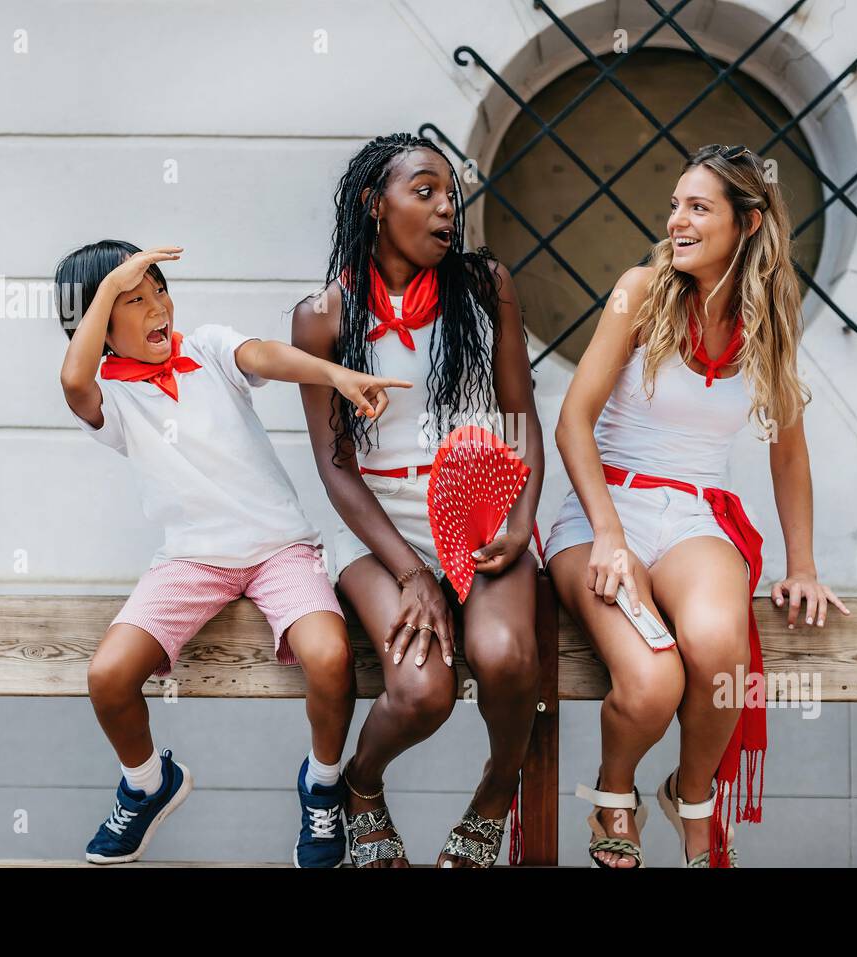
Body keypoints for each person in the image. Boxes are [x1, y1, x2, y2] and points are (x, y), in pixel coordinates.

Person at [57, 239, 409, 867]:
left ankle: (322, 786)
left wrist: (335, 373)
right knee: (108, 677)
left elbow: (266, 355)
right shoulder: (109, 396)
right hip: (190, 560)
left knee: (330, 659)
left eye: (158, 290)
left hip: (280, 551)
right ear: (99, 320)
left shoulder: (208, 348)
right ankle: (146, 786)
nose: (157, 305)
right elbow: (72, 377)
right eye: (132, 300)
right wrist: (110, 286)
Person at [545, 145, 850, 868]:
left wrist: (802, 563)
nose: (676, 220)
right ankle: (613, 795)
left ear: (747, 224)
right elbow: (572, 421)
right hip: (602, 508)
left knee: (719, 655)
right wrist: (610, 535)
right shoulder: (640, 291)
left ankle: (691, 793)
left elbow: (787, 450)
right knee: (651, 685)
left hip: (692, 518)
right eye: (676, 205)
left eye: (698, 207)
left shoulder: (771, 319)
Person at [292, 133, 545, 867]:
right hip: (380, 526)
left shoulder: (485, 284)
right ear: (375, 204)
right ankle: (362, 788)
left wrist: (521, 518)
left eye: (451, 196)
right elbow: (335, 466)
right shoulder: (322, 317)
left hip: (479, 504)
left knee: (500, 654)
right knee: (422, 690)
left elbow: (519, 412)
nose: (446, 209)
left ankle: (498, 788)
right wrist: (411, 572)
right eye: (425, 190)